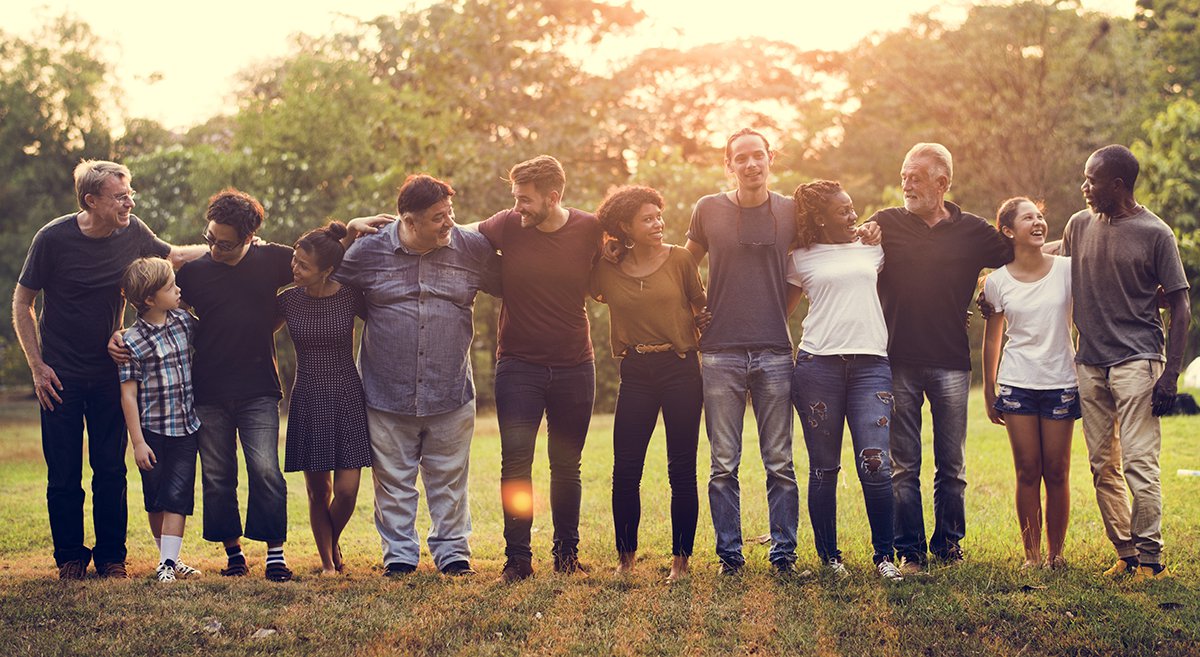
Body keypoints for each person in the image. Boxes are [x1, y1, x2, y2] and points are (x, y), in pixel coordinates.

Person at [12, 160, 204, 580]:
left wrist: (231, 246)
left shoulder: (132, 231)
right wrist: (37, 366)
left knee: (111, 469)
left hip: (108, 373)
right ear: (91, 201)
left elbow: (173, 256)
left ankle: (111, 558)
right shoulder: (52, 238)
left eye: (130, 192)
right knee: (63, 473)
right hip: (58, 376)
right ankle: (70, 558)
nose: (130, 202)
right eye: (121, 196)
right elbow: (22, 302)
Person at [336, 175, 499, 577]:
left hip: (450, 389)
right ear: (408, 220)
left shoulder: (471, 247)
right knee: (392, 482)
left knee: (449, 480)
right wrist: (343, 234)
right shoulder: (367, 251)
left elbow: (518, 279)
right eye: (437, 218)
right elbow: (323, 279)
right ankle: (400, 556)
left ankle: (453, 553)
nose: (449, 223)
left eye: (450, 213)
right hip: (385, 391)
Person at [870, 143, 1012, 574]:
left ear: (942, 183)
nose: (906, 183)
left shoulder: (973, 230)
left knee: (952, 465)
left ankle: (949, 546)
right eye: (904, 176)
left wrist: (990, 293)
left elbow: (1020, 256)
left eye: (915, 176)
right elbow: (847, 248)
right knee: (903, 465)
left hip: (951, 361)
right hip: (898, 361)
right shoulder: (886, 223)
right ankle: (910, 551)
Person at [1060, 145, 1189, 581]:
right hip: (1090, 361)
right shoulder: (1078, 225)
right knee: (1102, 465)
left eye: (1091, 180)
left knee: (1138, 461)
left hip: (1138, 360)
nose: (1084, 187)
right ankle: (1126, 552)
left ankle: (1151, 559)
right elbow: (1047, 275)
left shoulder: (1157, 233)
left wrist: (1170, 374)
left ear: (1117, 185)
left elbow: (1181, 306)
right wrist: (991, 287)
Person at [479, 155, 602, 582]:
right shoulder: (508, 225)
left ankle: (567, 556)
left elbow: (620, 263)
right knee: (515, 464)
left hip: (574, 365)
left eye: (526, 200)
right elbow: (456, 237)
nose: (518, 208)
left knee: (567, 465)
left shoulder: (589, 229)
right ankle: (517, 559)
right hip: (518, 367)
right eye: (515, 199)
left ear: (553, 197)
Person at [684, 128, 799, 575]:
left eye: (758, 156)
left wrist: (778, 313)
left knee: (781, 462)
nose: (751, 164)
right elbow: (683, 266)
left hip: (774, 352)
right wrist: (698, 310)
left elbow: (801, 272)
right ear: (728, 165)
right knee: (722, 464)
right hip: (719, 354)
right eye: (741, 158)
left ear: (771, 159)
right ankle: (730, 556)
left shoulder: (791, 211)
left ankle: (783, 555)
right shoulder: (707, 209)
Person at [786, 180, 903, 582]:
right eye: (843, 211)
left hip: (872, 365)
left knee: (876, 463)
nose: (853, 216)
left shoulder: (873, 247)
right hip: (819, 367)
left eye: (854, 209)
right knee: (824, 468)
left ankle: (884, 556)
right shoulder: (799, 257)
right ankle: (829, 559)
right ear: (820, 218)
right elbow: (780, 313)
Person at [591, 185, 706, 583]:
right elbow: (578, 247)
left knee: (681, 468)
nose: (658, 224)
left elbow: (700, 306)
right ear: (625, 226)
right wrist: (604, 245)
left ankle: (680, 561)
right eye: (647, 218)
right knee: (625, 469)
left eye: (659, 216)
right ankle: (626, 558)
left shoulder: (681, 259)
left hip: (680, 368)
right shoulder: (606, 267)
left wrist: (702, 327)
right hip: (636, 370)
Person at [981, 198, 1078, 570]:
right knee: (1027, 469)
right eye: (1028, 218)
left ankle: (1056, 555)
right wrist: (990, 391)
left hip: (1060, 381)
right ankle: (1032, 557)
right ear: (1008, 231)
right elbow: (993, 339)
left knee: (1056, 470)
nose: (1038, 222)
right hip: (1017, 384)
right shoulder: (997, 281)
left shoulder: (1068, 270)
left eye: (1040, 216)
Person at [277, 222, 372, 576]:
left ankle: (331, 542)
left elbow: (385, 318)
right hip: (309, 395)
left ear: (327, 270)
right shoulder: (287, 300)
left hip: (347, 392)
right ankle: (329, 563)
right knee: (319, 492)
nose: (295, 269)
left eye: (303, 265)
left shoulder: (350, 295)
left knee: (347, 491)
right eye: (294, 260)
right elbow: (250, 328)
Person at [117, 257, 203, 582]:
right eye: (170, 287)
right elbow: (128, 395)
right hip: (151, 431)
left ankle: (168, 563)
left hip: (185, 429)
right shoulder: (131, 342)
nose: (178, 289)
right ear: (150, 299)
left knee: (178, 495)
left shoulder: (184, 322)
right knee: (155, 499)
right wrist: (137, 442)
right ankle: (167, 557)